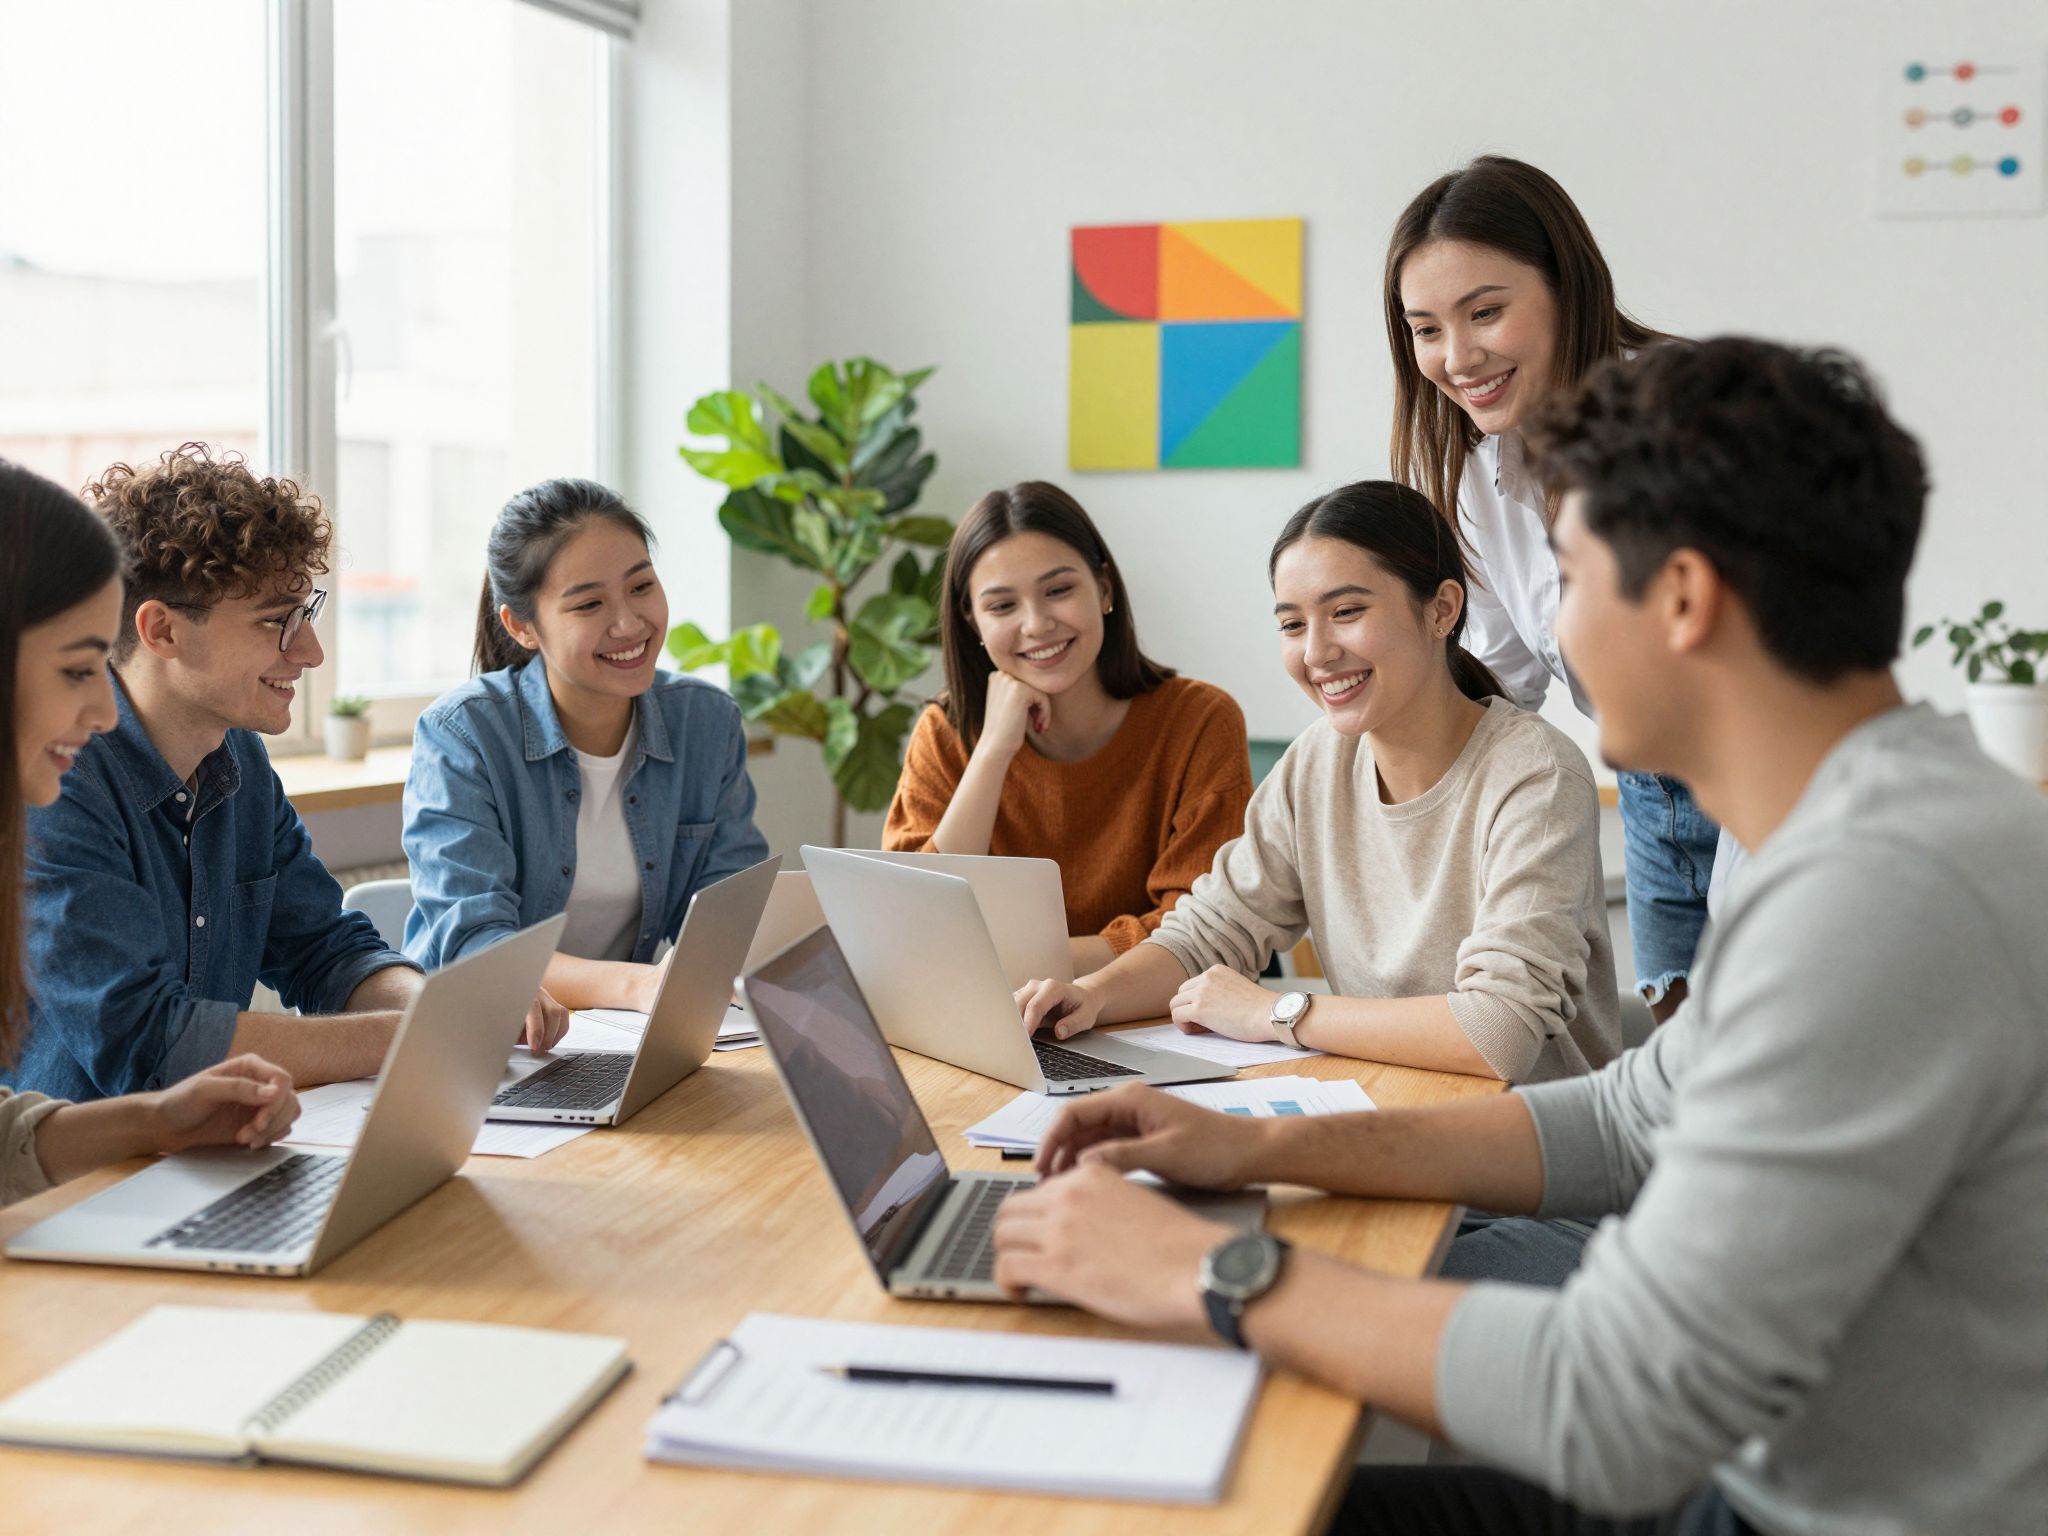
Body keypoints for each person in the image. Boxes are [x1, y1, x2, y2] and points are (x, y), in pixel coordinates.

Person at [994, 339, 2048, 1533]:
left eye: (1565, 575)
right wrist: (1240, 1152)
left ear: (1683, 599)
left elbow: (1614, 1405)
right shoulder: (1830, 832)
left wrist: (1211, 1270)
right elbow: (1623, 1115)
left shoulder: (1879, 892)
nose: (1546, 633)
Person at [1015, 480, 1617, 1084]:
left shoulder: (1537, 776)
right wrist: (1091, 996)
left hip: (1533, 1143)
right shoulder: (1319, 761)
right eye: (1293, 625)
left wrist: (1278, 1013)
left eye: (1346, 612)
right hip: (1387, 1109)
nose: (1318, 651)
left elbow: (1501, 1032)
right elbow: (1211, 932)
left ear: (1442, 609)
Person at [11, 445, 560, 1103]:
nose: (310, 650)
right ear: (162, 632)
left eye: (307, 614)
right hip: (91, 1185)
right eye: (277, 621)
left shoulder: (237, 756)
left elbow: (324, 951)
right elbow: (149, 1044)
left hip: (203, 1153)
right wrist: (420, 1035)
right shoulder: (58, 779)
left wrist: (430, 1008)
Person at [1388, 154, 1717, 1024]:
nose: (1457, 358)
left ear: (1567, 288)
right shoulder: (1480, 478)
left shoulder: (1685, 417)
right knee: (1682, 1051)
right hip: (1650, 786)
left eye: (1485, 312)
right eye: (1425, 328)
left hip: (1755, 774)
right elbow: (1502, 689)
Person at [0, 458, 299, 1202]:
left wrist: (157, 1123)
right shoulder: (65, 794)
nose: (104, 713)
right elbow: (147, 1039)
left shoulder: (241, 768)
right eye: (77, 672)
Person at [404, 478, 768, 1010]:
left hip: (629, 1035)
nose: (629, 623)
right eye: (589, 604)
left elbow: (732, 912)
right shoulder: (462, 735)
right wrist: (639, 986)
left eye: (641, 587)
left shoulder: (705, 722)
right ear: (523, 627)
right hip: (488, 1035)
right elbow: (476, 947)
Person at [885, 481, 1251, 976]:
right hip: (994, 1020)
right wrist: (992, 753)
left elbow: (1199, 927)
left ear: (1103, 589)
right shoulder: (945, 733)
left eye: (1058, 591)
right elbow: (909, 925)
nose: (1036, 624)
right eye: (1001, 606)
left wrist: (1014, 968)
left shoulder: (1199, 720)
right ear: (972, 623)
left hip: (1152, 1018)